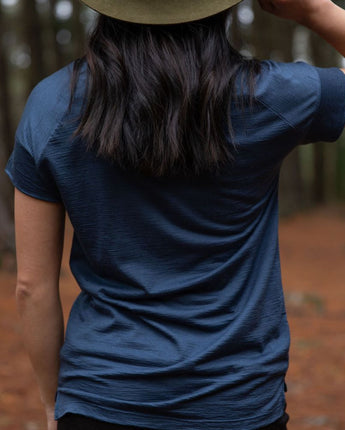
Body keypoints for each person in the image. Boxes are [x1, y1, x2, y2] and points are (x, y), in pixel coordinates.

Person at [5, 0, 345, 429]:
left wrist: (53, 402)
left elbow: (31, 287)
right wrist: (314, 11)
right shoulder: (269, 95)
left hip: (101, 398)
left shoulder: (53, 104)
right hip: (236, 404)